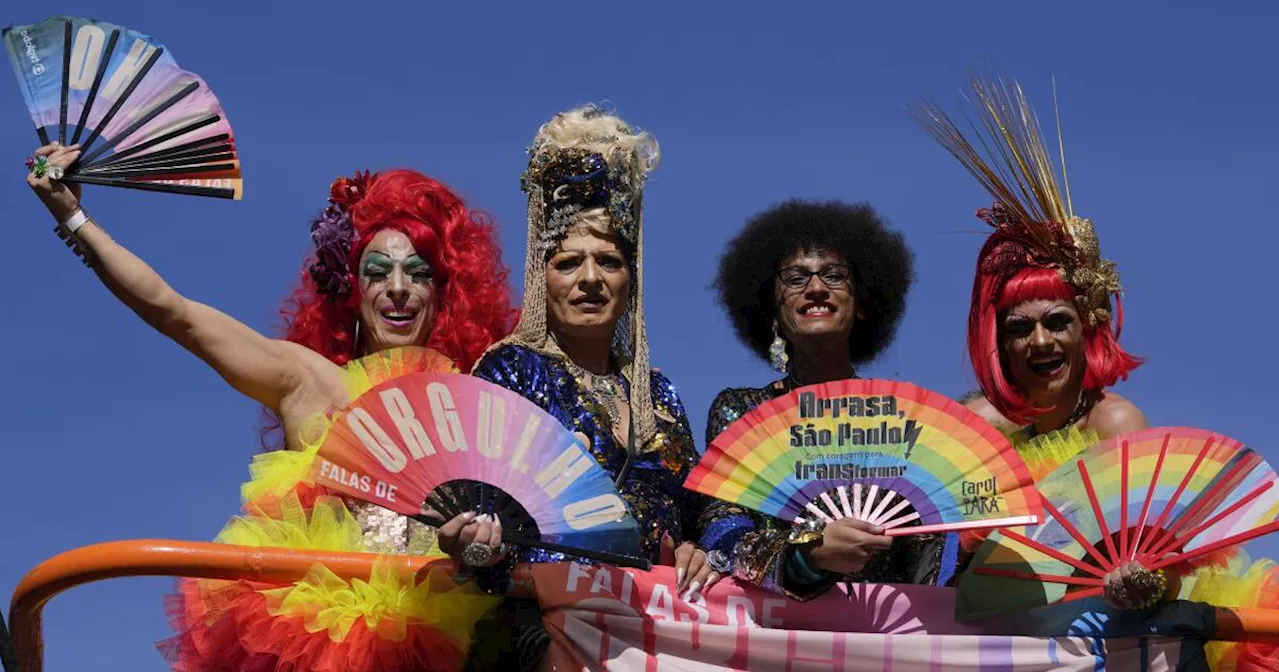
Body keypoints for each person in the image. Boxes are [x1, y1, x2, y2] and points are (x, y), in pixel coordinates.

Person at [26, 145, 516, 670]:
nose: (398, 289)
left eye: (418, 272)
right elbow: (176, 313)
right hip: (317, 643)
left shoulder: (481, 400)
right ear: (353, 290)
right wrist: (71, 215)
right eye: (378, 271)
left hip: (453, 645)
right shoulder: (307, 382)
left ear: (445, 292)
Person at [914, 75, 1279, 638]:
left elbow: (1163, 567)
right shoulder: (980, 430)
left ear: (1089, 330)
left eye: (1058, 322)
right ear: (999, 341)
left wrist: (1141, 581)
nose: (1041, 342)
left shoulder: (1115, 422)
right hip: (998, 634)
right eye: (1020, 327)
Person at [430, 104, 702, 671]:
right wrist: (478, 542)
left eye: (608, 261)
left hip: (655, 643)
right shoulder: (511, 373)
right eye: (568, 262)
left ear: (632, 278)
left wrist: (708, 548)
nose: (589, 280)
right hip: (538, 638)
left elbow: (704, 511)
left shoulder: (661, 395)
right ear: (541, 275)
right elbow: (482, 522)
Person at [690, 198, 958, 601]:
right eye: (796, 278)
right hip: (775, 640)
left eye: (833, 275)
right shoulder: (742, 410)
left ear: (863, 301)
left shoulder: (900, 421)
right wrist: (807, 554)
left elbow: (929, 551)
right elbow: (721, 529)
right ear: (773, 310)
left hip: (880, 644)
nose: (816, 288)